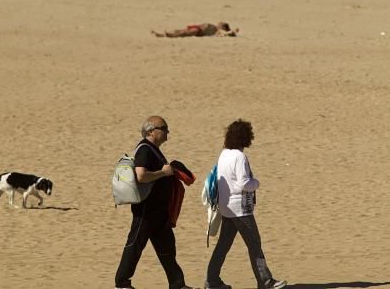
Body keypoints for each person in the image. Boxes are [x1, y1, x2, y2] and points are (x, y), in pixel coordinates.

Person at [115, 115, 196, 289]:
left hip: (159, 211)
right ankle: (121, 283)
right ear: (151, 131)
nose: (168, 132)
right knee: (135, 244)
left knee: (167, 246)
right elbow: (141, 175)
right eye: (164, 128)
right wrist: (163, 173)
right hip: (147, 209)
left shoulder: (153, 149)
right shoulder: (145, 149)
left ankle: (177, 284)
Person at [204, 119, 286, 289]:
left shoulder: (224, 153)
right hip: (240, 209)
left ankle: (212, 280)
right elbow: (244, 183)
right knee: (255, 245)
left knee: (223, 245)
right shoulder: (239, 157)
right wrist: (256, 183)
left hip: (226, 207)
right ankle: (265, 281)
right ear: (245, 137)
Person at [152, 22, 238, 38]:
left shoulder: (219, 30)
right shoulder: (216, 28)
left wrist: (233, 31)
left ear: (223, 27)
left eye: (221, 23)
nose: (219, 23)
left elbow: (228, 33)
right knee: (180, 30)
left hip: (199, 31)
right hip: (197, 27)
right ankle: (162, 34)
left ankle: (169, 35)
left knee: (184, 33)